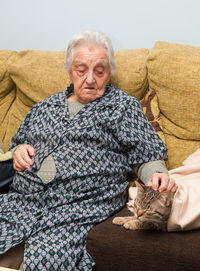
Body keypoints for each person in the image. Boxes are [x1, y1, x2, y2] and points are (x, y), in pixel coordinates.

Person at [0, 31, 176, 270]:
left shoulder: (122, 107)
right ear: (70, 69)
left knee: (49, 258)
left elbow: (146, 153)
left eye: (100, 70)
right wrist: (19, 150)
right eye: (82, 70)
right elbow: (17, 145)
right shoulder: (43, 107)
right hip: (21, 203)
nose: (91, 79)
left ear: (109, 72)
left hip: (77, 208)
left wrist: (157, 176)